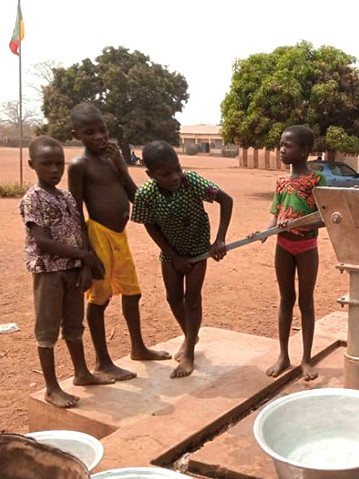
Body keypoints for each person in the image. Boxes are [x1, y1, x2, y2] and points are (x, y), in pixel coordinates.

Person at [68, 103, 171, 382]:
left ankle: (138, 348)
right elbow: (76, 210)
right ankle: (103, 361)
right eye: (90, 132)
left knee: (132, 293)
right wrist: (86, 255)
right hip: (97, 236)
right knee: (99, 300)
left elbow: (135, 197)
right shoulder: (79, 165)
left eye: (102, 130)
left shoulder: (112, 160)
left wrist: (121, 168)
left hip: (119, 237)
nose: (99, 137)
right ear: (76, 134)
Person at [20, 136, 111, 408]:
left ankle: (82, 373)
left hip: (72, 271)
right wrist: (85, 256)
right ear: (32, 164)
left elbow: (81, 229)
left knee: (74, 325)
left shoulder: (68, 197)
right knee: (47, 330)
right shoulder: (33, 199)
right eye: (46, 164)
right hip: (49, 272)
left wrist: (83, 266)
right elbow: (43, 242)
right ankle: (51, 387)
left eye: (58, 163)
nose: (55, 170)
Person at [131, 141, 233, 378]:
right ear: (151, 174)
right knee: (173, 298)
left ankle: (189, 353)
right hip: (170, 253)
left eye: (177, 169)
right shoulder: (146, 194)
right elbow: (151, 226)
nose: (175, 176)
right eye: (166, 174)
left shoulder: (191, 181)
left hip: (198, 251)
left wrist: (219, 240)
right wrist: (174, 257)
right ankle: (191, 335)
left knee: (192, 299)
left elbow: (226, 201)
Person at [261, 125, 326, 381]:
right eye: (281, 145)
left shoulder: (317, 180)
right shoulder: (281, 182)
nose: (282, 150)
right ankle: (283, 356)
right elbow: (276, 215)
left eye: (288, 146)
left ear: (305, 151)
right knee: (285, 299)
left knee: (306, 302)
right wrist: (267, 232)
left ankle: (306, 359)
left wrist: (301, 224)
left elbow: (325, 217)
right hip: (283, 247)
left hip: (307, 248)